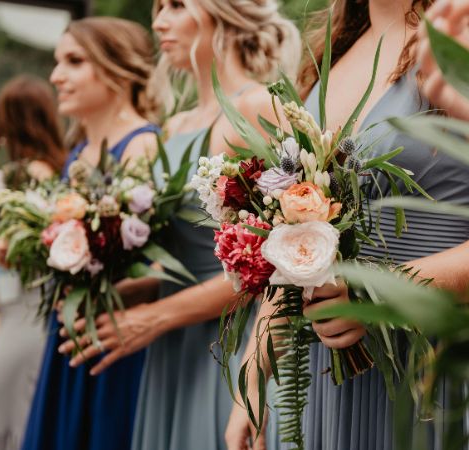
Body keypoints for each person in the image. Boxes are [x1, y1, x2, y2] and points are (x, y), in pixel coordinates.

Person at [227, 0, 469, 449]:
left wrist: (376, 291)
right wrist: (255, 368)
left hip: (444, 370)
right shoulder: (334, 54)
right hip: (332, 382)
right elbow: (292, 237)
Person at [55, 2, 299, 450]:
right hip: (170, 351)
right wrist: (114, 291)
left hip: (231, 342)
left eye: (176, 5)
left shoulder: (257, 106)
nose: (159, 21)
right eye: (157, 8)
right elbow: (179, 253)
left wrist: (154, 317)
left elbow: (282, 259)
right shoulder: (173, 128)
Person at [20, 17, 161, 450]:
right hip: (69, 332)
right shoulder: (78, 152)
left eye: (73, 61)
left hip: (113, 342)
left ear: (118, 70)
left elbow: (161, 265)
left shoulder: (144, 146)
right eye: (58, 61)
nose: (56, 76)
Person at [0, 75, 66, 450]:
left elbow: (24, 251)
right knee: (16, 408)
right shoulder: (52, 169)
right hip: (19, 308)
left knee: (1, 412)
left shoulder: (31, 175)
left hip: (28, 310)